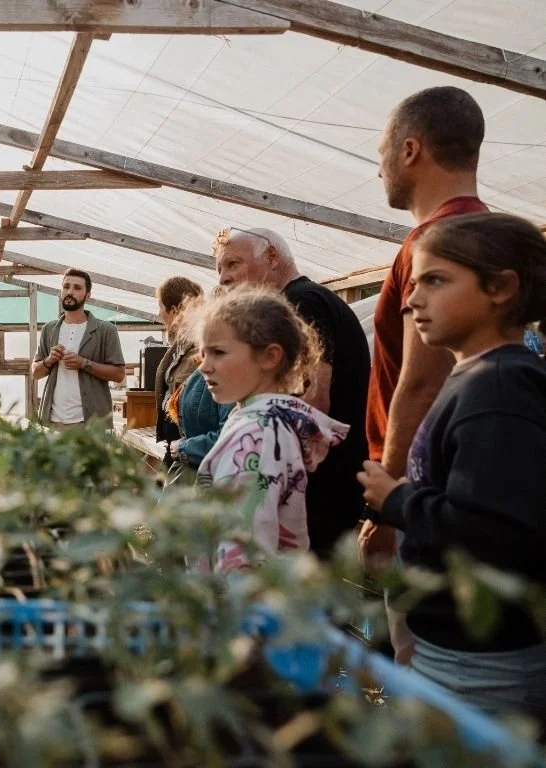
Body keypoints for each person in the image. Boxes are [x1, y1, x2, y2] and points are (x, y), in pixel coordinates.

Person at [358, 213, 546, 724]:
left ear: (500, 288)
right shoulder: (476, 378)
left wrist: (397, 500)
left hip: (479, 663)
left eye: (435, 281)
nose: (413, 298)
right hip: (455, 650)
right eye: (414, 282)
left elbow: (493, 529)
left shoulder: (498, 389)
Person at [358, 86, 489, 663]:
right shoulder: (488, 233)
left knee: (420, 660)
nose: (379, 167)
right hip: (460, 486)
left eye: (382, 151)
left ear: (410, 150)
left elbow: (421, 380)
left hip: (422, 486)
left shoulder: (433, 242)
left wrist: (387, 504)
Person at [215, 226, 370, 559]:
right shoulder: (304, 300)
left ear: (272, 257)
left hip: (319, 488)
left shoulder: (302, 302)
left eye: (233, 264)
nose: (223, 278)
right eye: (220, 269)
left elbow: (313, 398)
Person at [192, 287, 348, 573]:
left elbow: (244, 550)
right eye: (203, 354)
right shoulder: (263, 422)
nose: (204, 366)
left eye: (218, 352)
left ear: (270, 357)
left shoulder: (257, 436)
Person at [153, 277, 231, 482]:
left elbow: (226, 437)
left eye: (160, 306)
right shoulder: (179, 345)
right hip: (182, 448)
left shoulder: (215, 362)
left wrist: (185, 447)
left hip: (192, 453)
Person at [31, 269, 126, 428]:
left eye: (77, 288)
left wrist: (84, 363)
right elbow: (35, 373)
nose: (70, 292)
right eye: (66, 286)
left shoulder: (106, 330)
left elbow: (119, 374)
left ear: (88, 295)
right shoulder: (49, 329)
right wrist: (49, 360)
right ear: (60, 292)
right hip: (53, 422)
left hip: (90, 424)